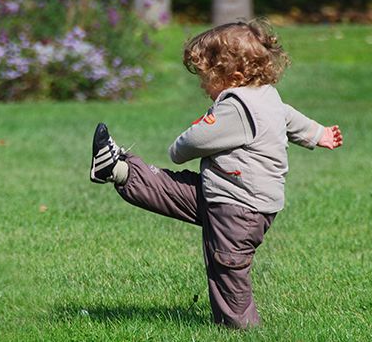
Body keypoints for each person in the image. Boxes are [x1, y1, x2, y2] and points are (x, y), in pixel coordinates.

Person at [89, 19, 343, 329]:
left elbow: (191, 143)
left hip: (238, 208)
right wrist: (318, 133)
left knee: (228, 269)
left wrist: (182, 143)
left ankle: (239, 328)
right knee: (169, 188)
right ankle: (116, 168)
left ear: (233, 77)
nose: (202, 86)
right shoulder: (266, 96)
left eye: (207, 78)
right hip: (227, 196)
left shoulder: (236, 108)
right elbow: (290, 118)